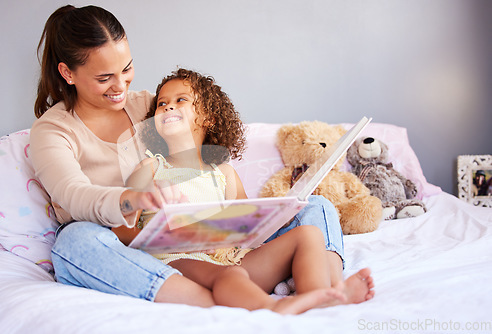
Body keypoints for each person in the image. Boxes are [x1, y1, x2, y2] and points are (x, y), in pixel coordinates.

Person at [29, 4, 373, 313]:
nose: (121, 86)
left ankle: (326, 290)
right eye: (105, 78)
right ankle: (219, 298)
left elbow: (197, 126)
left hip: (216, 242)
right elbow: (72, 194)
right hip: (135, 248)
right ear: (68, 73)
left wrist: (259, 214)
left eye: (127, 69)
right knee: (74, 243)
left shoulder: (150, 105)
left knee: (315, 207)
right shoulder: (53, 131)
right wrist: (131, 198)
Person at [125, 68, 374, 312]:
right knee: (230, 275)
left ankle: (319, 297)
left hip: (233, 258)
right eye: (161, 103)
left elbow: (247, 227)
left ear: (209, 118)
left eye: (181, 100)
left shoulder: (223, 173)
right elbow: (121, 231)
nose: (168, 106)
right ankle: (273, 308)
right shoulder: (150, 168)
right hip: (179, 259)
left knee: (308, 234)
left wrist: (277, 216)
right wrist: (163, 234)